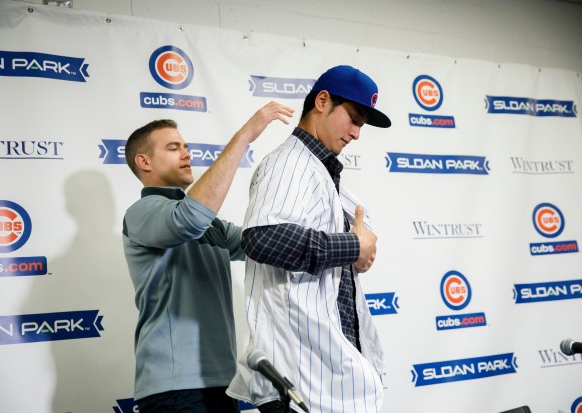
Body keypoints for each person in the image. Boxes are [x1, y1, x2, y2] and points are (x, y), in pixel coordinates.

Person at [227, 65, 391, 413]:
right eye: (353, 118)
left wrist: (358, 253)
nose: (357, 133)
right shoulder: (289, 163)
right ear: (322, 101)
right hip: (296, 380)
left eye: (361, 124)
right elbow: (262, 238)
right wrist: (352, 246)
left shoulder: (324, 174)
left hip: (325, 376)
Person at [122, 101, 294, 413]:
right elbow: (188, 219)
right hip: (176, 390)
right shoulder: (141, 213)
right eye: (174, 147)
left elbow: (263, 243)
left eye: (186, 146)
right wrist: (243, 137)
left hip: (222, 383)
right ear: (143, 161)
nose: (187, 153)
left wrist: (345, 242)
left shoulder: (209, 223)